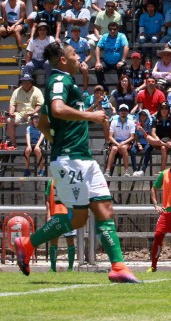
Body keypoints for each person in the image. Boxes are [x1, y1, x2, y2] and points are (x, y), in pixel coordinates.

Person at [14, 42, 140, 283]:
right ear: (62, 59)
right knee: (76, 218)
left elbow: (42, 120)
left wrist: (54, 137)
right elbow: (57, 109)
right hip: (70, 158)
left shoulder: (67, 82)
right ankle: (27, 244)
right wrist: (90, 116)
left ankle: (118, 267)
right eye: (74, 54)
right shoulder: (58, 81)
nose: (79, 57)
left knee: (103, 210)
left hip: (83, 158)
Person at [45, 179, 77, 272]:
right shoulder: (51, 181)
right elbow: (47, 200)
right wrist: (48, 215)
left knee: (70, 241)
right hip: (55, 215)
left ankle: (70, 268)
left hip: (68, 215)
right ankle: (52, 268)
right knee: (53, 241)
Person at [7, 74, 43, 148]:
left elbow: (40, 105)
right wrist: (11, 112)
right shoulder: (16, 91)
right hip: (20, 113)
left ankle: (36, 144)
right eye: (24, 82)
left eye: (28, 82)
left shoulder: (37, 91)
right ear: (21, 82)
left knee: (36, 119)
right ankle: (14, 144)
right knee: (9, 120)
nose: (26, 83)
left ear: (31, 82)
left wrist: (33, 112)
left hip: (32, 113)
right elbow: (12, 104)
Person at [94, 21, 129, 92]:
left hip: (118, 62)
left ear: (118, 29)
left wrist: (123, 61)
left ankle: (121, 89)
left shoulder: (121, 36)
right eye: (110, 29)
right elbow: (98, 47)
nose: (112, 31)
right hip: (106, 62)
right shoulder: (104, 36)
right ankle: (104, 90)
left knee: (122, 69)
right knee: (97, 69)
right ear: (108, 29)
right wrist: (97, 62)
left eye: (114, 29)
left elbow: (126, 47)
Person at [104, 104, 136, 177]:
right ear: (119, 112)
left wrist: (122, 144)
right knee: (114, 148)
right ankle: (107, 171)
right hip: (115, 142)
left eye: (125, 111)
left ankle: (126, 171)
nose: (123, 112)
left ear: (128, 112)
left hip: (126, 142)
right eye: (122, 110)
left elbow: (132, 137)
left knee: (123, 148)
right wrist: (117, 144)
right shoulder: (114, 122)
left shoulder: (131, 122)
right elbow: (110, 136)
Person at [151, 101, 171, 170]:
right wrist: (156, 138)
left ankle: (162, 170)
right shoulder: (155, 119)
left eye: (166, 108)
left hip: (169, 140)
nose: (164, 110)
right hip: (158, 141)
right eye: (162, 108)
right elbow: (153, 132)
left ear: (168, 110)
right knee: (148, 139)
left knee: (163, 148)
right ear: (160, 109)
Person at [131, 109, 154, 177]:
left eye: (144, 115)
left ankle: (143, 170)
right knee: (132, 151)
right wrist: (138, 144)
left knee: (147, 150)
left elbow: (148, 136)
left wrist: (142, 130)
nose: (143, 116)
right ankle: (135, 170)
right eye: (141, 115)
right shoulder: (136, 124)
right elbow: (136, 136)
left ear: (147, 116)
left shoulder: (150, 125)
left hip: (148, 142)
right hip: (139, 142)